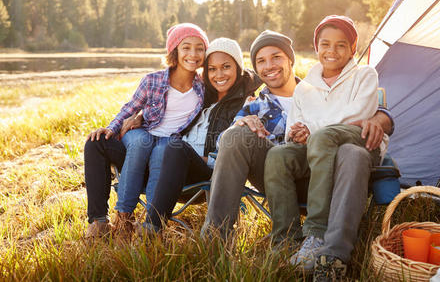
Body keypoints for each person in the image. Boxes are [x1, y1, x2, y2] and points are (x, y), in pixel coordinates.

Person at [200, 29, 394, 243]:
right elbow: (223, 147)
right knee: (237, 137)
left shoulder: (320, 88)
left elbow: (359, 111)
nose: (269, 66)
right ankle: (215, 239)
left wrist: (382, 117)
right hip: (280, 181)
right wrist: (239, 125)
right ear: (256, 69)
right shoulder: (254, 105)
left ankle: (322, 241)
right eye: (261, 61)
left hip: (332, 175)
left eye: (276, 57)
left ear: (290, 60)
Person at [264, 15, 389, 281]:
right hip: (317, 147)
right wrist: (298, 133)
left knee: (323, 139)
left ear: (352, 48)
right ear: (316, 46)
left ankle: (317, 231)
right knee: (278, 155)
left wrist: (314, 129)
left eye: (341, 45)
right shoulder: (304, 87)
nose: (332, 51)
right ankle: (286, 241)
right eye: (325, 44)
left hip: (357, 138)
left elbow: (357, 115)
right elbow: (292, 131)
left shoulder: (364, 74)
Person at [84, 23, 208, 237]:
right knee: (100, 142)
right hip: (140, 140)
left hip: (169, 149)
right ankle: (108, 221)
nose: (193, 54)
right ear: (175, 50)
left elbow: (238, 75)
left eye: (200, 48)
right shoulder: (153, 80)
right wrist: (112, 128)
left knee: (164, 149)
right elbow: (129, 108)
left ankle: (152, 225)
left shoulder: (203, 88)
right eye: (186, 47)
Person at [140, 37, 262, 234]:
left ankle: (152, 228)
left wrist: (190, 157)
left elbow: (232, 157)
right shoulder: (202, 95)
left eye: (226, 67)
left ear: (238, 67)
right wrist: (138, 118)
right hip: (171, 166)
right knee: (113, 145)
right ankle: (110, 218)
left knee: (174, 147)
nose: (218, 74)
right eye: (212, 69)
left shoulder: (247, 103)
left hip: (208, 173)